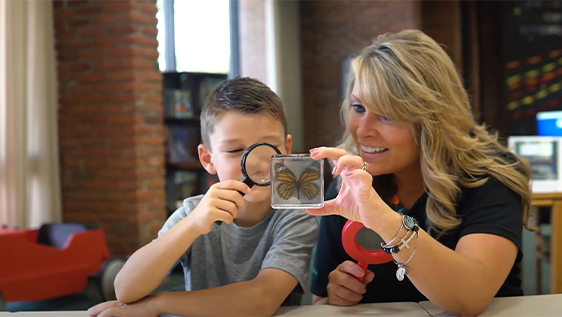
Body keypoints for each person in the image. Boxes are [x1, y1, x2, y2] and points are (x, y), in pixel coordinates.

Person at [307, 30, 533, 317]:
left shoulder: (488, 178)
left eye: (387, 115)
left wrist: (383, 218)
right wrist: (336, 295)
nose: (363, 130)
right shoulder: (348, 181)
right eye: (358, 107)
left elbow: (469, 298)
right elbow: (320, 303)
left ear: (431, 119)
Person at [88, 77, 318, 317]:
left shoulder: (296, 216)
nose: (256, 164)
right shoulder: (193, 212)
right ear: (207, 159)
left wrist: (157, 304)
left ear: (287, 150)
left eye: (269, 147)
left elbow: (261, 300)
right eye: (234, 150)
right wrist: (193, 224)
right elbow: (125, 288)